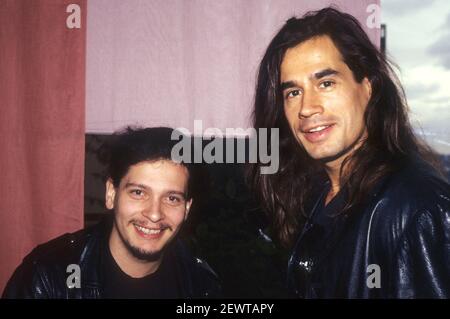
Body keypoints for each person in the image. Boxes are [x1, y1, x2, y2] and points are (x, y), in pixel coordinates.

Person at [247, 7, 449, 298]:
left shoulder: (417, 208)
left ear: (367, 88)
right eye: (293, 92)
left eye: (326, 83)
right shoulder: (318, 194)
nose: (307, 107)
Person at [3, 127, 221, 298]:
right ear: (111, 194)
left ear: (187, 208)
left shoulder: (201, 284)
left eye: (172, 198)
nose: (154, 214)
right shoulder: (49, 275)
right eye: (138, 192)